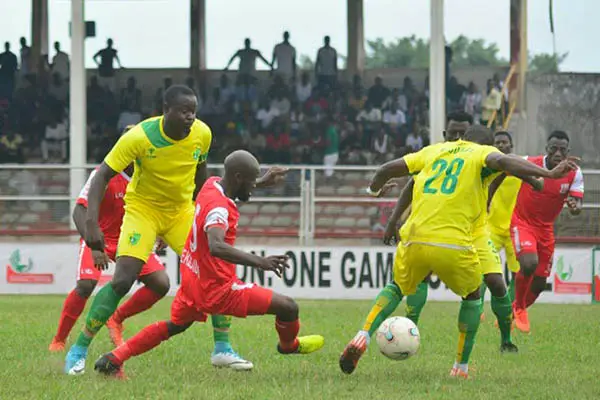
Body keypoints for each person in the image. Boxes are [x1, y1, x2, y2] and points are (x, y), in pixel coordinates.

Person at [339, 118, 575, 378]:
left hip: (415, 236)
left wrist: (374, 192)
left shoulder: (433, 150)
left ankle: (362, 335)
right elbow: (505, 162)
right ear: (487, 145)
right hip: (455, 239)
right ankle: (460, 368)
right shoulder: (482, 153)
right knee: (473, 296)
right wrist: (548, 174)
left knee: (396, 286)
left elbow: (385, 169)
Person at [64, 85, 256, 375]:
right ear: (166, 110)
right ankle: (79, 349)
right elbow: (102, 175)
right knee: (122, 280)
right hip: (143, 211)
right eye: (184, 111)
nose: (190, 117)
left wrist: (201, 212)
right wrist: (91, 223)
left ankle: (222, 348)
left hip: (181, 213)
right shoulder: (138, 137)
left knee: (216, 269)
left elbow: (200, 175)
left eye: (193, 111)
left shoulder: (202, 134)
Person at [94, 150, 324, 377]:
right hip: (218, 289)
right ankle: (288, 346)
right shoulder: (219, 210)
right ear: (238, 178)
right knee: (289, 307)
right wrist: (261, 262)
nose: (253, 185)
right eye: (251, 180)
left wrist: (263, 181)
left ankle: (114, 357)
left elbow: (234, 191)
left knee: (176, 325)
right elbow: (216, 245)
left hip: (193, 278)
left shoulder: (211, 184)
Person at [50, 127, 169, 352]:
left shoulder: (150, 176)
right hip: (100, 237)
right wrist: (94, 245)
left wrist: (161, 231)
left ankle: (116, 318)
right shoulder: (103, 173)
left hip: (132, 239)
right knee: (85, 285)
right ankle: (59, 339)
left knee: (161, 284)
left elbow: (157, 209)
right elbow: (79, 211)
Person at [511, 130, 583, 333]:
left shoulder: (574, 172)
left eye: (562, 150)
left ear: (568, 151)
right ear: (546, 149)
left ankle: (511, 311)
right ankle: (519, 308)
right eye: (553, 149)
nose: (558, 153)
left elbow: (577, 203)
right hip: (522, 222)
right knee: (529, 263)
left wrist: (575, 207)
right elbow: (509, 163)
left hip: (545, 230)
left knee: (539, 284)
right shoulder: (531, 163)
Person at [483, 131, 521, 307]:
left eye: (504, 142)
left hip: (515, 228)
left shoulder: (520, 168)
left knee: (518, 274)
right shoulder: (486, 169)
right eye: (497, 142)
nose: (501, 145)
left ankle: (512, 312)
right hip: (491, 228)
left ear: (511, 145)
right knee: (484, 270)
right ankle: (478, 309)